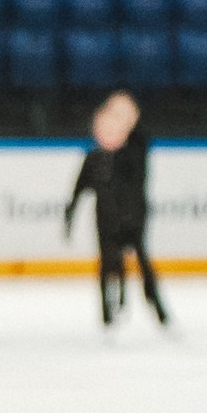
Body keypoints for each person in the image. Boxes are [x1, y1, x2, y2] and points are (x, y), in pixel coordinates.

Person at [62, 89, 169, 329]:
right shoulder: (94, 158)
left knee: (141, 260)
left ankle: (157, 307)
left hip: (133, 215)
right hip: (107, 217)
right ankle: (107, 311)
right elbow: (78, 190)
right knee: (108, 261)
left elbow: (141, 136)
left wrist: (127, 115)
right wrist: (69, 218)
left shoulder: (133, 153)